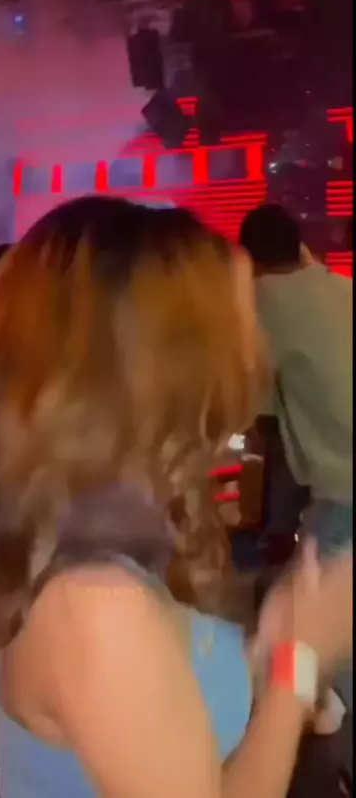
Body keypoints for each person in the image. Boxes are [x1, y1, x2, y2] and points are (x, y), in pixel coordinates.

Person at [0, 197, 352, 798]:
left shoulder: (110, 539)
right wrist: (296, 668)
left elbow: (178, 713)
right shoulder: (94, 605)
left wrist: (269, 651)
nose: (252, 353)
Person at [240, 203, 353, 723]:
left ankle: (320, 702)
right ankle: (320, 700)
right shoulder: (339, 287)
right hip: (337, 490)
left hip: (342, 487)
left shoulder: (261, 304)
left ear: (249, 259)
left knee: (302, 617)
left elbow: (259, 418)